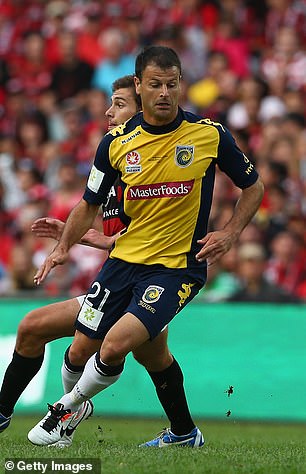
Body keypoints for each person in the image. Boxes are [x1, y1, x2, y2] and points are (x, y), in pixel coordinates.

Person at [28, 46, 264, 448]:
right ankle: (184, 433)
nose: (165, 93)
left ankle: (62, 411)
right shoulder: (116, 144)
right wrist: (64, 246)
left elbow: (253, 186)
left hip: (177, 268)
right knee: (90, 347)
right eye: (155, 85)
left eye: (172, 85)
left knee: (116, 344)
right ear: (139, 86)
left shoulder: (208, 135)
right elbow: (88, 205)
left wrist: (230, 233)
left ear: (180, 85)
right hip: (124, 262)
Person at [1, 76, 196, 449]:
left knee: (109, 349)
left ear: (142, 111)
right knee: (35, 329)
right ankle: (184, 432)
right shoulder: (116, 159)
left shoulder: (154, 164)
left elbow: (157, 233)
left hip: (151, 279)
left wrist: (76, 243)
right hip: (117, 276)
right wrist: (84, 235)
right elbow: (123, 234)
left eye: (120, 104)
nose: (109, 111)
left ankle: (65, 416)